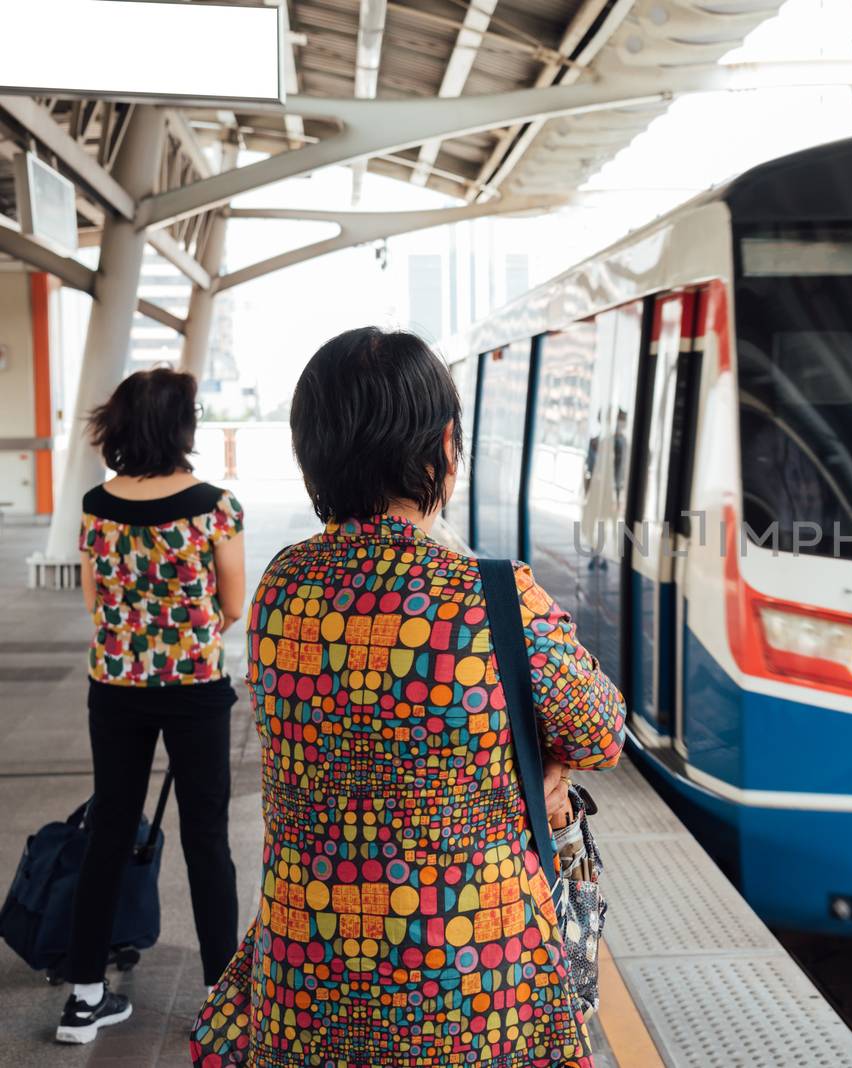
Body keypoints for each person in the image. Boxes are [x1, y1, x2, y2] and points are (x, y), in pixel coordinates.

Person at [191, 328, 625, 1068]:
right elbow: (602, 730)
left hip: (309, 961)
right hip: (471, 975)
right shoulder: (490, 596)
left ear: (314, 452)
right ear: (443, 448)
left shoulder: (283, 584)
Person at [58, 368, 245, 1044]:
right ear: (181, 426)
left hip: (114, 687)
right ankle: (221, 1000)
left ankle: (83, 999)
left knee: (109, 830)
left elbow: (91, 602)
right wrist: (183, 634)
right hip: (194, 689)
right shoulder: (214, 505)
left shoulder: (95, 505)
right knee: (206, 841)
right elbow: (231, 605)